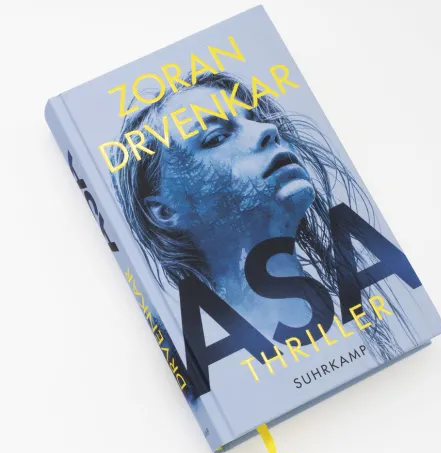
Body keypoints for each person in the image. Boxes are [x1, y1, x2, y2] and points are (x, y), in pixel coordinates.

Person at [112, 71, 416, 362]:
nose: (267, 131)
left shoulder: (378, 309)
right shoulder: (209, 355)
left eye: (255, 119)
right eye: (216, 137)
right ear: (165, 211)